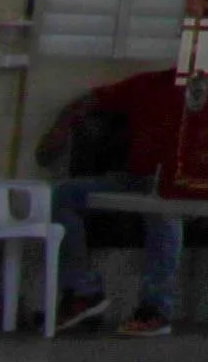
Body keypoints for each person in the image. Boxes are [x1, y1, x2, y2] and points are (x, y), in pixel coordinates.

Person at [37, 68, 184, 336]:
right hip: (135, 179)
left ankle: (156, 308)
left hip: (182, 185)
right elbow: (89, 100)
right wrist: (60, 127)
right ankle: (84, 291)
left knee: (163, 209)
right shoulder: (150, 84)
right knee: (63, 195)